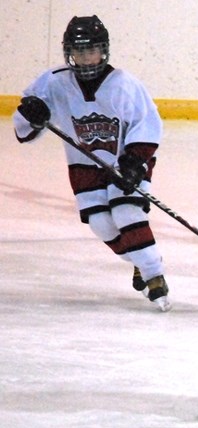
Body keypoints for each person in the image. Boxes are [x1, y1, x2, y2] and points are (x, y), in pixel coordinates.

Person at [13, 15, 170, 312]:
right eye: (79, 51)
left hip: (127, 161)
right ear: (69, 53)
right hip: (84, 166)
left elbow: (148, 124)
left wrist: (135, 163)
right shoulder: (54, 82)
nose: (86, 58)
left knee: (125, 212)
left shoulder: (125, 84)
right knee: (100, 224)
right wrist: (32, 115)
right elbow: (23, 128)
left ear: (104, 50)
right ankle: (139, 259)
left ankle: (154, 275)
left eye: (91, 50)